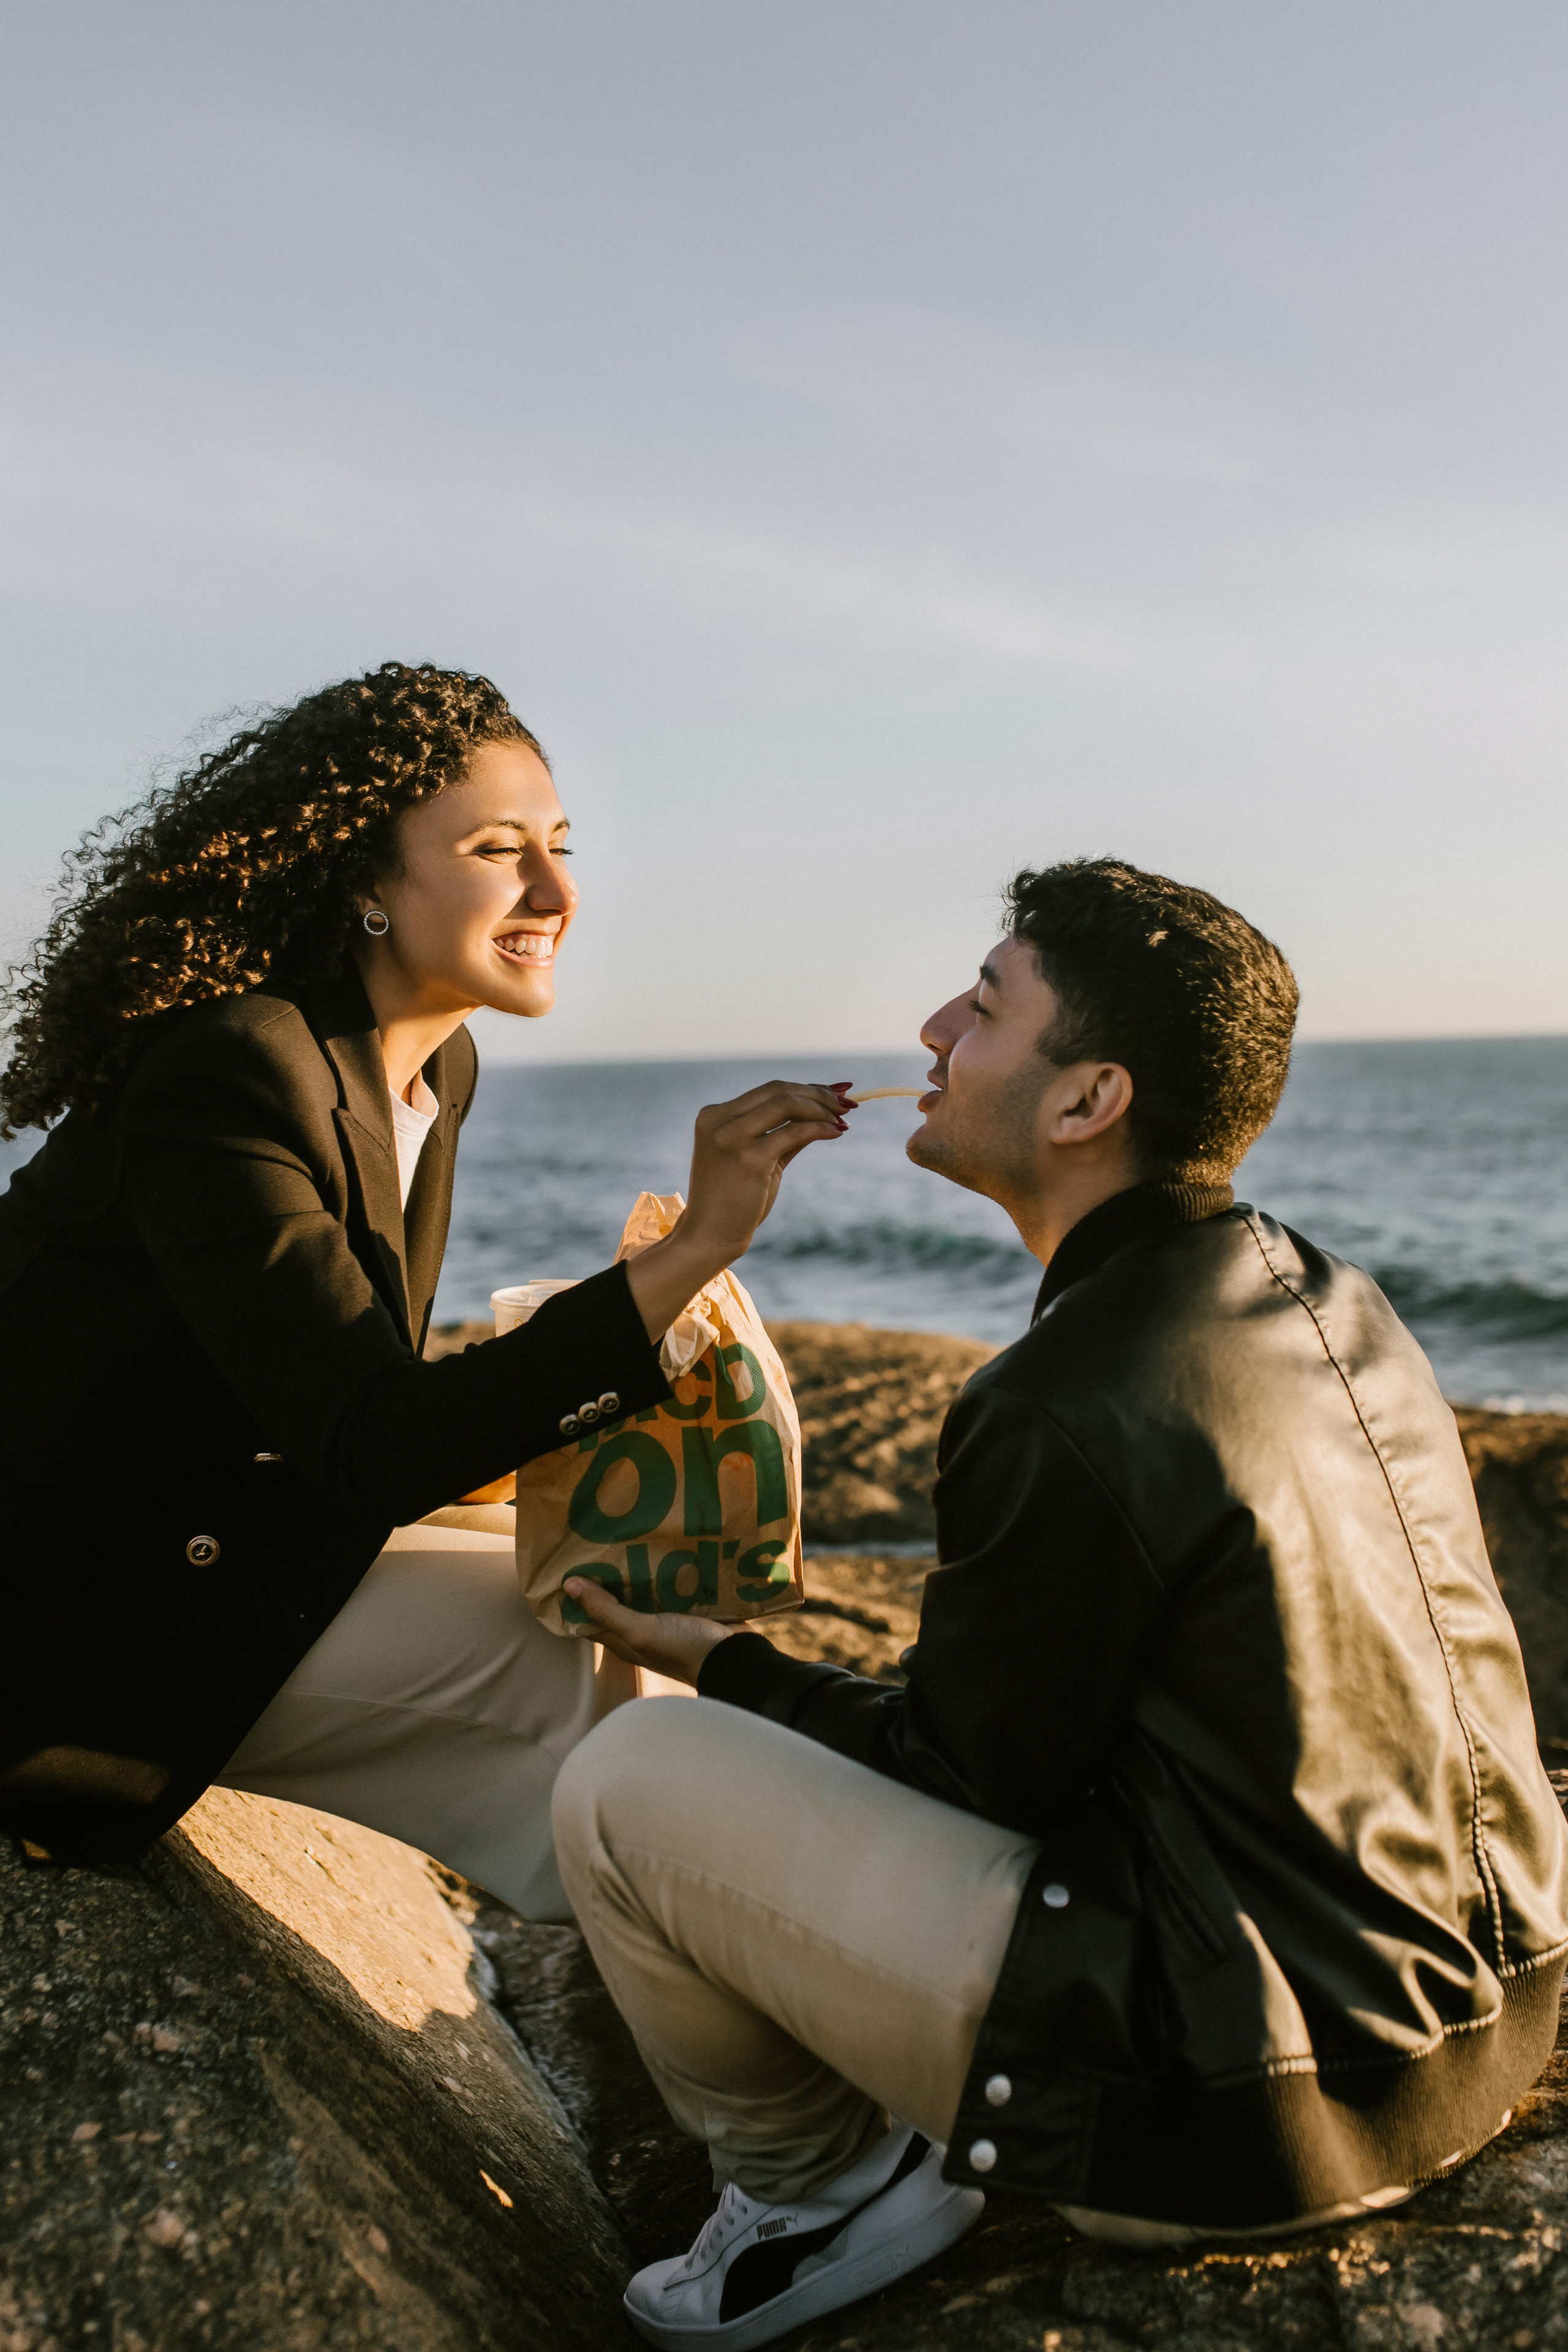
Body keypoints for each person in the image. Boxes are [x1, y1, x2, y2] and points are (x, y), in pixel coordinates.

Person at [558, 856, 1568, 2352]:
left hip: (1247, 2112)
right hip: (1478, 2016)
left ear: (1085, 1100)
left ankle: (814, 2194)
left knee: (622, 1780)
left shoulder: (1065, 1394)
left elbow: (979, 1776)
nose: (928, 1029)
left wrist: (726, 1664)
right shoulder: (1326, 1291)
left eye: (978, 1006)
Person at [0, 660, 847, 1898]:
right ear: (364, 882)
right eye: (500, 849)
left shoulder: (433, 1067)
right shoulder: (229, 1071)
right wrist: (687, 1252)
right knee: (582, 1671)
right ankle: (759, 2063)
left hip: (207, 1525)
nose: (555, 890)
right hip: (70, 1624)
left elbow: (342, 1393)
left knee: (596, 1580)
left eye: (560, 845)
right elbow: (372, 1442)